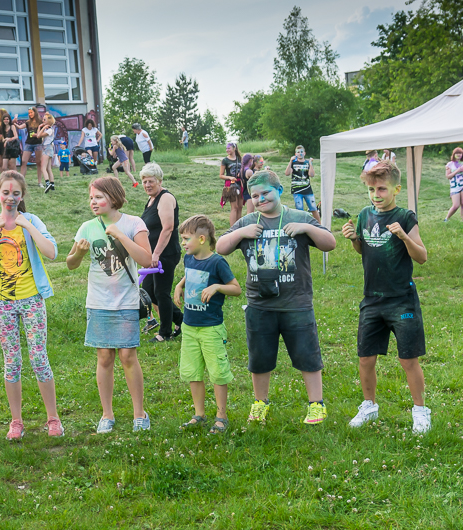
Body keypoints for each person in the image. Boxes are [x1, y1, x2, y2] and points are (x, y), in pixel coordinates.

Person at [216, 170, 337, 426]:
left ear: (280, 190)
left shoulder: (298, 217)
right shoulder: (248, 221)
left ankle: (316, 403)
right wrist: (241, 233)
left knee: (307, 354)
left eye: (266, 193)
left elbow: (330, 243)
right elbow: (221, 247)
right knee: (260, 357)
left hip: (296, 303)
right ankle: (260, 402)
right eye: (255, 195)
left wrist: (306, 228)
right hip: (259, 304)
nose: (261, 199)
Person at [0, 170, 63, 440]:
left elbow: (52, 252)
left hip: (32, 300)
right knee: (12, 362)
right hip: (3, 304)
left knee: (39, 358)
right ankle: (16, 421)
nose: (10, 198)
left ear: (22, 195)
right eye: (5, 192)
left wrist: (27, 225)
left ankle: (53, 418)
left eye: (16, 193)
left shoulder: (32, 221)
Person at [341, 161, 430, 434]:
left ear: (396, 189)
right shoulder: (365, 215)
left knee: (408, 359)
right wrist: (354, 239)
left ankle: (420, 411)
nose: (375, 194)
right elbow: (364, 249)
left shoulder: (405, 217)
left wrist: (404, 237)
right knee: (365, 358)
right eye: (371, 189)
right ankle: (369, 406)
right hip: (372, 299)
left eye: (381, 189)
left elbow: (422, 256)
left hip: (401, 299)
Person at [66, 176, 152, 434]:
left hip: (126, 301)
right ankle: (107, 414)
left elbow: (146, 259)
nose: (93, 202)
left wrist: (119, 235)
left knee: (127, 356)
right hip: (99, 301)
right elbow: (70, 264)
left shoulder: (134, 223)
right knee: (104, 357)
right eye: (91, 198)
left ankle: (140, 414)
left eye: (99, 197)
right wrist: (79, 254)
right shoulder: (87, 227)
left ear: (113, 198)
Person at [172, 215, 241, 434]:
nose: (183, 243)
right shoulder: (189, 258)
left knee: (218, 373)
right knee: (193, 372)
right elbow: (189, 274)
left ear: (202, 239)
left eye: (186, 239)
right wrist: (179, 285)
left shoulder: (217, 262)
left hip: (211, 328)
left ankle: (221, 416)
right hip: (189, 326)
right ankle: (199, 414)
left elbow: (236, 288)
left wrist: (217, 287)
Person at [139, 163, 183, 343]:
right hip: (153, 254)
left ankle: (164, 333)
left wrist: (156, 254)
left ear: (159, 181)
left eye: (151, 181)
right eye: (144, 182)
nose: (147, 185)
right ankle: (181, 320)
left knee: (161, 292)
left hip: (166, 253)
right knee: (149, 291)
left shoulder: (165, 198)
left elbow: (168, 228)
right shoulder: (151, 200)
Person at [285, 146, 317, 219]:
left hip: (307, 189)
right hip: (297, 190)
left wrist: (310, 163)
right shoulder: (293, 163)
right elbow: (287, 173)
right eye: (298, 152)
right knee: (299, 210)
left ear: (304, 153)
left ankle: (319, 224)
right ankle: (301, 224)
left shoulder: (307, 163)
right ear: (295, 154)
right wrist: (290, 161)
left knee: (313, 208)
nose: (300, 153)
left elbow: (311, 175)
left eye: (302, 152)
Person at [220, 142, 244, 226]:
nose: (227, 150)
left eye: (229, 148)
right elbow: (221, 175)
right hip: (231, 185)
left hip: (240, 183)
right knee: (234, 207)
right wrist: (230, 178)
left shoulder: (240, 159)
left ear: (234, 149)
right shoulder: (225, 160)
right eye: (226, 148)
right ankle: (233, 228)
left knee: (240, 206)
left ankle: (239, 226)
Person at [21, 107, 44, 179]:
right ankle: (22, 180)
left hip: (38, 143)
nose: (30, 114)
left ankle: (39, 182)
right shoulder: (28, 122)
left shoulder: (40, 122)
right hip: (29, 143)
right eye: (29, 113)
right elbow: (20, 127)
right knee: (24, 161)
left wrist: (37, 135)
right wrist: (14, 123)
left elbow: (44, 132)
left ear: (35, 112)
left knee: (38, 162)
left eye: (31, 112)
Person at [37, 113, 57, 194]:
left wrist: (41, 128)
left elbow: (38, 136)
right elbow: (39, 135)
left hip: (47, 148)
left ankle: (47, 183)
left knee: (43, 168)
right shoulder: (48, 130)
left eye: (44, 120)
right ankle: (52, 184)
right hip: (49, 148)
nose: (43, 121)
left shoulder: (49, 130)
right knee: (48, 168)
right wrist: (40, 128)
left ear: (48, 121)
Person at [443, 147, 463, 222]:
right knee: (456, 205)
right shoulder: (450, 164)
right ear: (454, 154)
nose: (458, 155)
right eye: (457, 153)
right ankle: (446, 219)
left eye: (460, 153)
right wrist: (458, 170)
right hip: (455, 187)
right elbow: (448, 176)